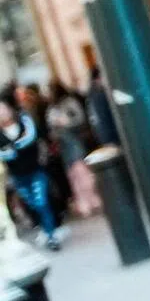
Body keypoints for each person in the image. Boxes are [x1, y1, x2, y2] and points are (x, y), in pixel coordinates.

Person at [0, 95, 61, 250]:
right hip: (18, 176)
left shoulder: (24, 120)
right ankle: (46, 229)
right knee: (33, 205)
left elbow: (32, 136)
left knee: (41, 202)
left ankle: (51, 236)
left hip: (35, 170)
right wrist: (8, 153)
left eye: (3, 109)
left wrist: (14, 147)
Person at [46, 81, 100, 217]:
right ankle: (85, 203)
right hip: (64, 145)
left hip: (74, 142)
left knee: (81, 172)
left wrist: (67, 122)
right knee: (74, 175)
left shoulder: (68, 103)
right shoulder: (53, 108)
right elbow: (51, 128)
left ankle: (92, 201)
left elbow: (80, 119)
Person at [85, 66, 120, 147]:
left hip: (103, 137)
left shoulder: (91, 96)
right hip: (111, 136)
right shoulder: (100, 95)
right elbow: (105, 117)